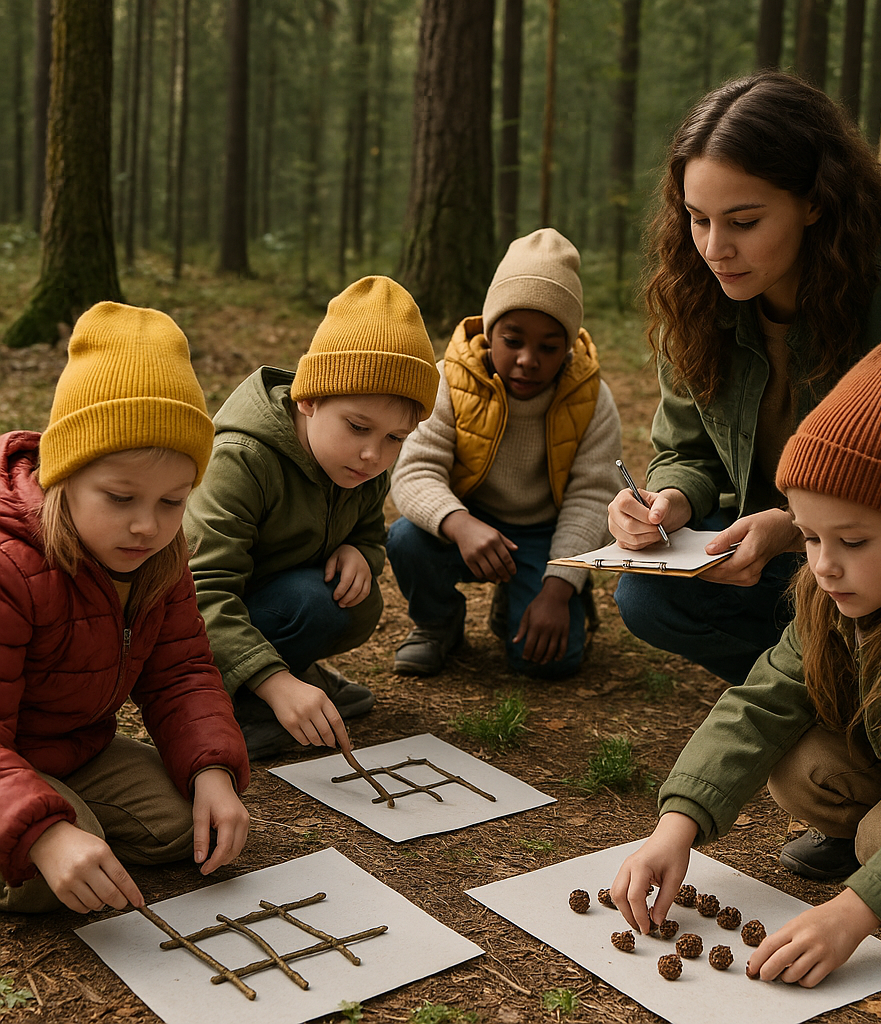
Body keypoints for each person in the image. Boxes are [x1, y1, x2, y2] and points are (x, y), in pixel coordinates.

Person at [612, 335, 881, 986]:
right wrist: (675, 826)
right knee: (803, 767)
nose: (824, 566)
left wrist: (854, 913)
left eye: (852, 541)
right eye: (807, 537)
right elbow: (761, 703)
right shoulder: (837, 587)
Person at [608, 70, 881, 687]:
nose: (714, 249)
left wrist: (795, 529)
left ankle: (867, 693)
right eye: (698, 219)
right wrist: (669, 502)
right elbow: (688, 452)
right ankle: (820, 696)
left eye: (744, 222)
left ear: (814, 201)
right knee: (648, 597)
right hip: (780, 562)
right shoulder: (694, 294)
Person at [0, 301, 251, 915]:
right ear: (64, 475)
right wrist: (46, 833)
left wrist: (212, 770)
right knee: (45, 875)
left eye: (172, 501)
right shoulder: (11, 568)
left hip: (77, 747)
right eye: (119, 497)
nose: (147, 526)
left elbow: (182, 673)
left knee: (184, 826)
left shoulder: (160, 556)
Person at [184, 277, 439, 759]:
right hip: (199, 626)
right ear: (310, 398)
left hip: (273, 601)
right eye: (358, 427)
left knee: (352, 599)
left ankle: (290, 676)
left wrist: (361, 552)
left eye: (395, 438)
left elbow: (369, 531)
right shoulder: (242, 458)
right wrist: (272, 681)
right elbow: (200, 593)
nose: (373, 454)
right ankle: (240, 705)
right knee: (310, 602)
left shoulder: (361, 464)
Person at [386, 228, 622, 679]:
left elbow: (593, 496)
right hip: (469, 519)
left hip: (546, 533)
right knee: (405, 539)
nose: (528, 360)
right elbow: (415, 472)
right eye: (513, 341)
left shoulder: (591, 398)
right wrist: (460, 524)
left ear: (568, 347)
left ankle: (541, 593)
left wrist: (559, 587)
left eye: (548, 347)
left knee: (550, 665)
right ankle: (437, 624)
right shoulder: (449, 381)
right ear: (489, 331)